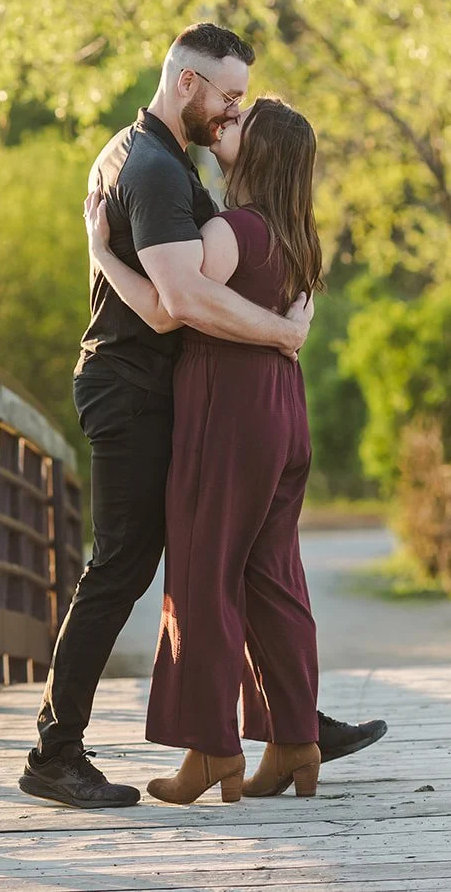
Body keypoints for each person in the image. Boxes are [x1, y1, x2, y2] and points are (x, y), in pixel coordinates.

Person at [18, 23, 384, 810]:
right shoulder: (154, 168)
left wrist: (103, 254)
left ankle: (255, 733)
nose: (231, 112)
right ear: (187, 83)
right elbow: (176, 304)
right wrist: (286, 331)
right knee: (143, 563)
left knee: (208, 566)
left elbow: (193, 295)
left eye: (241, 108)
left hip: (198, 400)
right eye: (228, 97)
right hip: (137, 391)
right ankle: (63, 748)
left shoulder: (171, 170)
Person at [86, 94, 337, 803]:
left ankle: (210, 751)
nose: (224, 127)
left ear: (258, 155)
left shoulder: (233, 231)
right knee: (272, 575)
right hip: (283, 411)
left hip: (228, 412)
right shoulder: (298, 236)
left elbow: (171, 308)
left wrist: (104, 252)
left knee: (201, 575)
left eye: (239, 126)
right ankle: (294, 740)